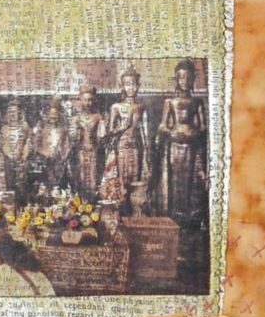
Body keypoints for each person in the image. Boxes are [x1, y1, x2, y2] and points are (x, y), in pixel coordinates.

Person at [155, 58, 209, 225]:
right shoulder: (170, 102)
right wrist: (173, 132)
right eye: (181, 77)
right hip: (175, 145)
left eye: (188, 77)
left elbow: (202, 126)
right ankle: (174, 215)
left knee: (190, 180)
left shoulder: (197, 102)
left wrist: (193, 132)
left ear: (193, 79)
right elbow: (162, 125)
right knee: (175, 179)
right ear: (176, 79)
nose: (184, 81)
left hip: (191, 146)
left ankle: (189, 216)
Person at [106, 68, 152, 214]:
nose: (130, 87)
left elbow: (145, 131)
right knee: (121, 181)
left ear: (138, 85)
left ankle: (134, 214)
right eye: (127, 84)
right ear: (122, 86)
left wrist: (147, 151)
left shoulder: (141, 107)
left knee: (135, 181)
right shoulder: (116, 107)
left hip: (136, 147)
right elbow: (110, 131)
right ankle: (120, 213)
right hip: (121, 147)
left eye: (133, 84)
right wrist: (122, 127)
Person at [67, 80, 108, 197]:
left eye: (90, 100)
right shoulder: (76, 119)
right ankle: (81, 202)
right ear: (80, 101)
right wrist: (76, 132)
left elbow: (102, 137)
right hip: (80, 151)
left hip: (93, 151)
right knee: (80, 177)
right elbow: (72, 137)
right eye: (85, 100)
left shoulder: (98, 117)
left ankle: (92, 201)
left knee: (93, 177)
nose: (88, 103)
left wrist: (103, 126)